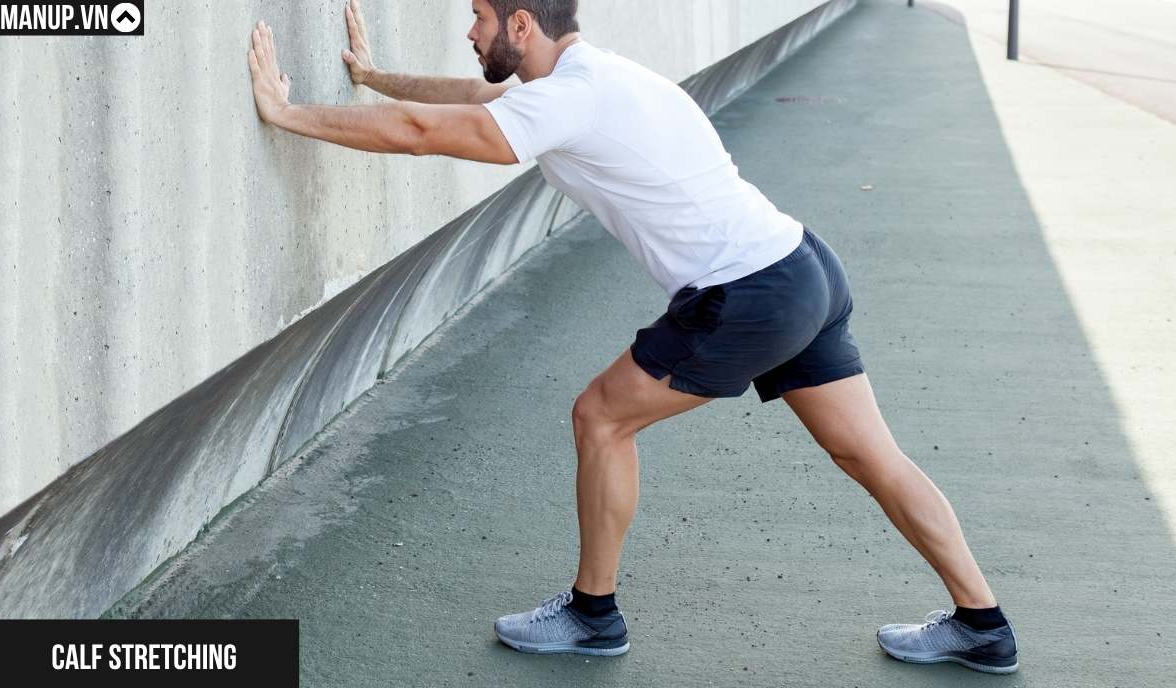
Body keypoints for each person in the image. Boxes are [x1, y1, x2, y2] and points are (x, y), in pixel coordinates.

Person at [246, 0, 1019, 674]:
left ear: (521, 24)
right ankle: (984, 626)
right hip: (801, 265)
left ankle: (592, 615)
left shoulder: (567, 101)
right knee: (870, 455)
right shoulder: (594, 77)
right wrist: (376, 79)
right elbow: (467, 102)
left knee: (600, 417)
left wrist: (288, 115)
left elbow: (426, 133)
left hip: (744, 293)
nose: (469, 31)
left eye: (479, 17)